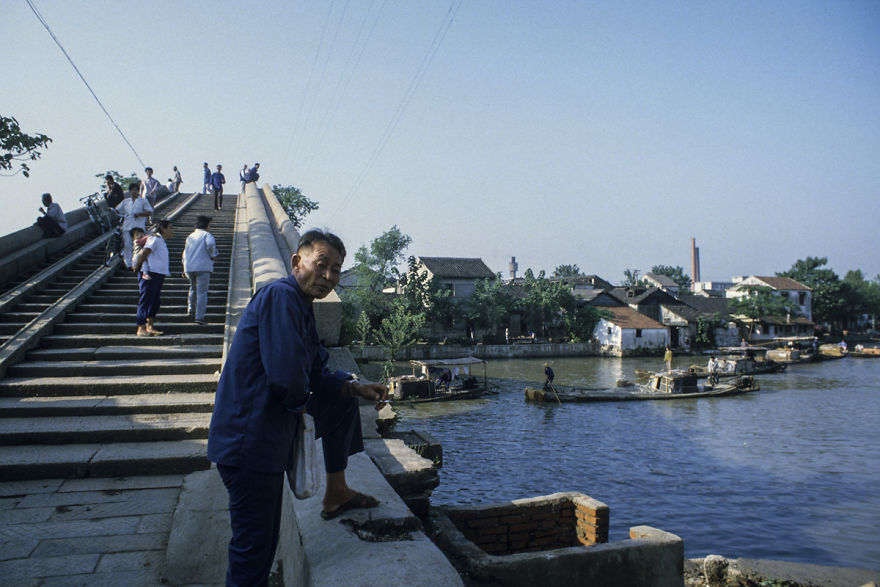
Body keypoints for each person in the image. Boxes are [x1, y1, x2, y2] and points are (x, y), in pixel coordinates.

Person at [207, 229, 388, 586]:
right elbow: (288, 378)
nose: (329, 277)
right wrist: (305, 410)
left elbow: (318, 373)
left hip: (264, 438)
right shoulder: (280, 298)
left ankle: (337, 492)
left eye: (336, 270)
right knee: (254, 549)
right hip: (250, 443)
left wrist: (356, 387)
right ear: (297, 262)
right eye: (321, 265)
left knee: (343, 401)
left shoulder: (301, 308)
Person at [133, 219, 173, 336]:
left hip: (158, 274)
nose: (172, 230)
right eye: (170, 228)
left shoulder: (161, 241)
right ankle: (141, 328)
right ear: (163, 229)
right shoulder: (154, 239)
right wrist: (138, 266)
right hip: (150, 274)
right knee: (146, 299)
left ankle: (149, 326)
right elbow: (145, 252)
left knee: (155, 301)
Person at [182, 215, 218, 324]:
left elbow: (185, 253)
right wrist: (213, 254)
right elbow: (211, 244)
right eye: (209, 225)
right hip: (202, 267)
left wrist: (184, 267)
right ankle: (199, 317)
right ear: (206, 225)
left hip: (189, 267)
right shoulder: (207, 235)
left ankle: (190, 310)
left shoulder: (190, 236)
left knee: (193, 289)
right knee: (202, 292)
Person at [115, 183, 153, 269]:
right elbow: (117, 210)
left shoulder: (143, 201)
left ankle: (138, 264)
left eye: (135, 190)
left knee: (138, 246)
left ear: (138, 191)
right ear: (129, 192)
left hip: (138, 227)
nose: (133, 192)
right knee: (127, 245)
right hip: (127, 226)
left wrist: (140, 214)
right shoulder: (125, 201)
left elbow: (150, 212)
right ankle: (128, 264)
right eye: (132, 190)